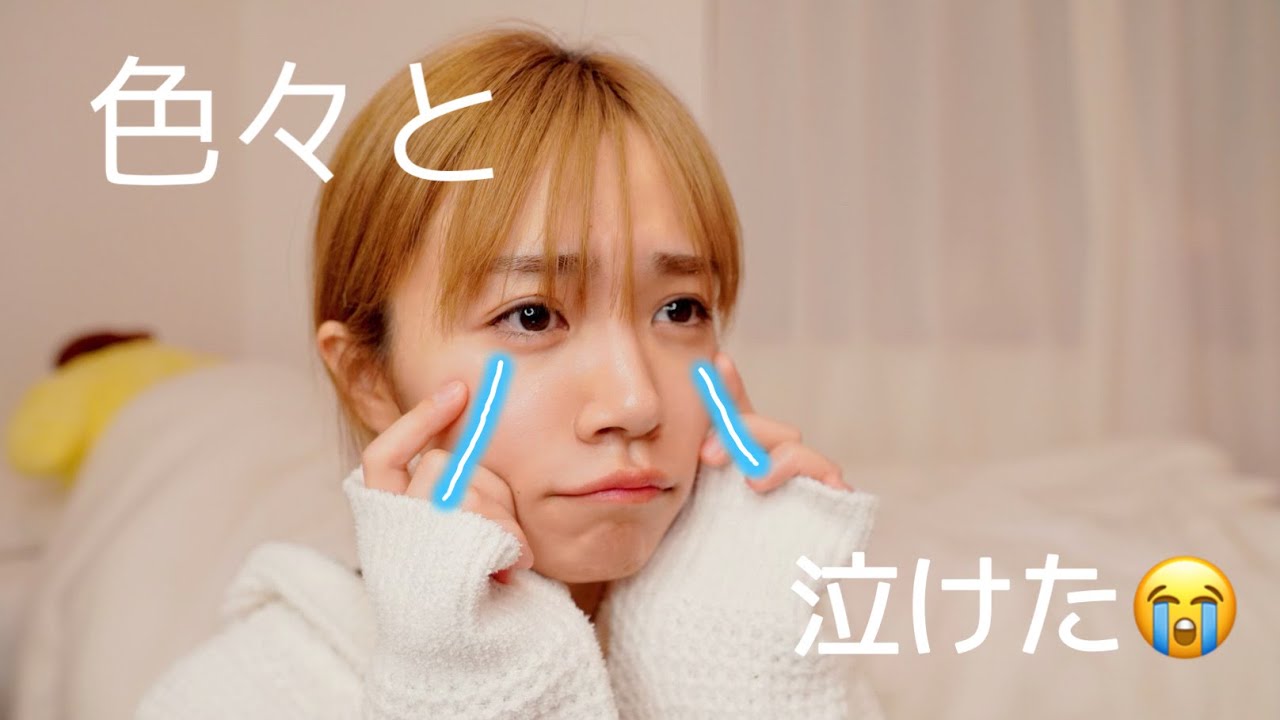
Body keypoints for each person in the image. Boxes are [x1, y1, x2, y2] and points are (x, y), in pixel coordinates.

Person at [135, 26, 882, 719]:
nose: (635, 401)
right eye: (531, 316)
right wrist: (465, 682)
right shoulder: (233, 697)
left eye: (679, 309)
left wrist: (737, 672)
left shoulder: (777, 642)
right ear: (368, 377)